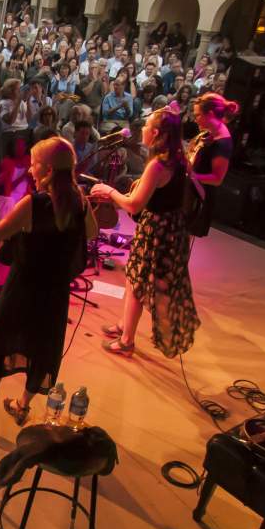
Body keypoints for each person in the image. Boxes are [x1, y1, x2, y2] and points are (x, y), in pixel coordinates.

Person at [0, 137, 98, 430]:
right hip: (54, 294)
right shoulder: (79, 202)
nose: (30, 170)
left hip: (21, 289)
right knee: (42, 347)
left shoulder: (32, 205)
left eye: (34, 164)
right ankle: (22, 407)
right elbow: (91, 233)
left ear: (47, 169)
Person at [90, 108, 200, 358]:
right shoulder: (180, 158)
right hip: (169, 227)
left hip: (156, 231)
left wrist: (108, 192)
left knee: (138, 284)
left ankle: (127, 341)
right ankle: (124, 326)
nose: (142, 129)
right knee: (133, 279)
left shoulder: (158, 165)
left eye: (147, 125)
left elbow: (133, 205)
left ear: (157, 133)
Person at [186, 93, 238, 236]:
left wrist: (190, 176)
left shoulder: (223, 143)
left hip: (198, 198)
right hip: (189, 193)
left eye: (197, 115)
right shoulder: (209, 133)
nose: (195, 119)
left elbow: (217, 179)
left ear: (209, 114)